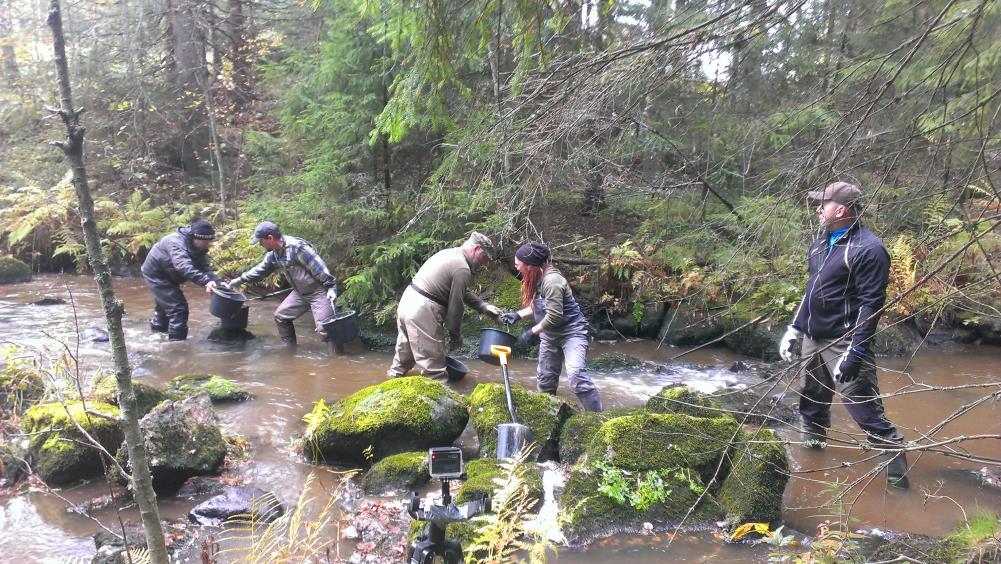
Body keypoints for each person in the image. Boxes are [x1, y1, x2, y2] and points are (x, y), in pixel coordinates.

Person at [778, 181, 909, 488]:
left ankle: (900, 487)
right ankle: (811, 469)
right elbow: (811, 292)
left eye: (822, 205)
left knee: (866, 413)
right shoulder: (821, 243)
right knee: (811, 403)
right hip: (813, 337)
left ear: (840, 209)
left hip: (846, 343)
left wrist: (856, 353)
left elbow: (871, 306)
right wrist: (794, 328)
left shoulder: (870, 249)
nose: (817, 210)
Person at [499, 242, 603, 412]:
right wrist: (518, 315)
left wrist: (532, 332)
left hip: (573, 333)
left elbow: (554, 315)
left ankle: (597, 417)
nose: (516, 267)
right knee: (545, 379)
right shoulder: (538, 277)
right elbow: (540, 305)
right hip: (550, 335)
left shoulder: (552, 281)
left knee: (576, 375)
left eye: (519, 264)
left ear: (531, 265)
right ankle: (548, 416)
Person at [388, 232, 502, 379]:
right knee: (434, 369)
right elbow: (456, 306)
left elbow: (459, 290)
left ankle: (385, 390)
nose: (484, 263)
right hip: (424, 311)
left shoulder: (449, 254)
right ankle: (444, 401)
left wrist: (483, 306)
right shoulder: (462, 269)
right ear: (476, 249)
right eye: (484, 257)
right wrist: (455, 336)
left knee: (403, 359)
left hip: (408, 301)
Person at [226, 221, 339, 347]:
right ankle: (290, 352)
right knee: (281, 317)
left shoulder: (297, 247)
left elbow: (319, 267)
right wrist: (239, 280)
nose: (260, 244)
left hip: (318, 292)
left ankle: (337, 359)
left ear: (270, 238)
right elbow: (260, 270)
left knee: (326, 329)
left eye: (261, 241)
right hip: (300, 294)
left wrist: (331, 287)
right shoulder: (274, 254)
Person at [141, 219, 222, 341]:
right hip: (157, 274)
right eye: (206, 242)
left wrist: (217, 282)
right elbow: (184, 267)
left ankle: (158, 336)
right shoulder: (176, 242)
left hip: (171, 274)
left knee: (164, 307)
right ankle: (177, 346)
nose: (207, 245)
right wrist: (205, 281)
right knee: (178, 308)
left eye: (209, 242)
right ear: (197, 238)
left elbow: (204, 268)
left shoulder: (199, 246)